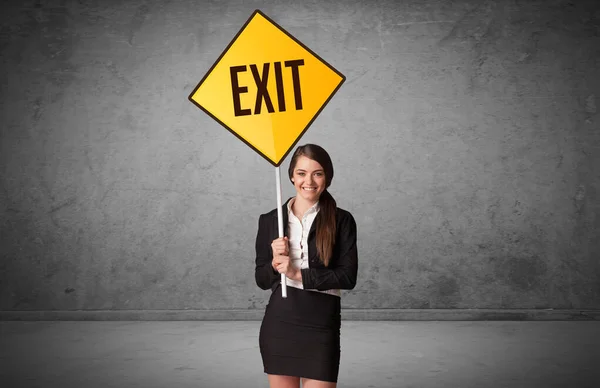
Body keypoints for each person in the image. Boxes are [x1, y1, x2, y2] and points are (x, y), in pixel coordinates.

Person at [254, 144, 358, 388]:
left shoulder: (342, 220)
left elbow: (347, 276)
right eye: (301, 173)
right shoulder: (270, 220)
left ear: (327, 177)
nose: (308, 181)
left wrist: (296, 273)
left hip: (322, 322)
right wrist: (273, 261)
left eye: (317, 173)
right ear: (291, 175)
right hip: (280, 322)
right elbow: (261, 279)